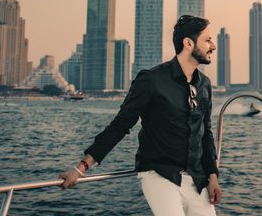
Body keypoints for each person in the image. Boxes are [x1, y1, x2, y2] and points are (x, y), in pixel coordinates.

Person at [59, 15, 222, 216]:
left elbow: (205, 133)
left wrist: (212, 175)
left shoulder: (204, 84)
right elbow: (120, 125)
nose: (213, 46)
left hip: (198, 180)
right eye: (207, 40)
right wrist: (81, 167)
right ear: (188, 43)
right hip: (160, 176)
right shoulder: (151, 80)